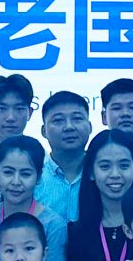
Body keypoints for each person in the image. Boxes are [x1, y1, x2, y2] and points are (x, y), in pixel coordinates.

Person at [0, 135, 68, 261]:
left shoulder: (53, 225)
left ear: (38, 177)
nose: (16, 182)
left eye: (25, 174)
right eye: (8, 172)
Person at [64, 129, 133, 261]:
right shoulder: (77, 232)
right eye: (105, 166)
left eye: (124, 166)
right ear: (91, 172)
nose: (115, 174)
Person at [36, 90, 92, 221]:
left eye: (77, 119)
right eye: (58, 120)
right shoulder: (34, 178)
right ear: (44, 131)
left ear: (90, 127)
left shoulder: (102, 174)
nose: (69, 127)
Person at [0, 74, 36, 145]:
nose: (10, 118)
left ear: (30, 113)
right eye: (2, 108)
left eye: (19, 109)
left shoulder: (39, 152)